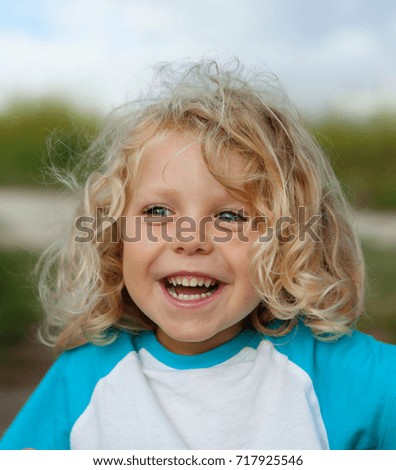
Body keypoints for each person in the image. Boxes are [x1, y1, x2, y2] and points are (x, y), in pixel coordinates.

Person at [1, 60, 395, 450]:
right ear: (114, 236)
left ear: (287, 240)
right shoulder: (82, 379)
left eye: (229, 216)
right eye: (158, 212)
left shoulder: (349, 376)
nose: (190, 240)